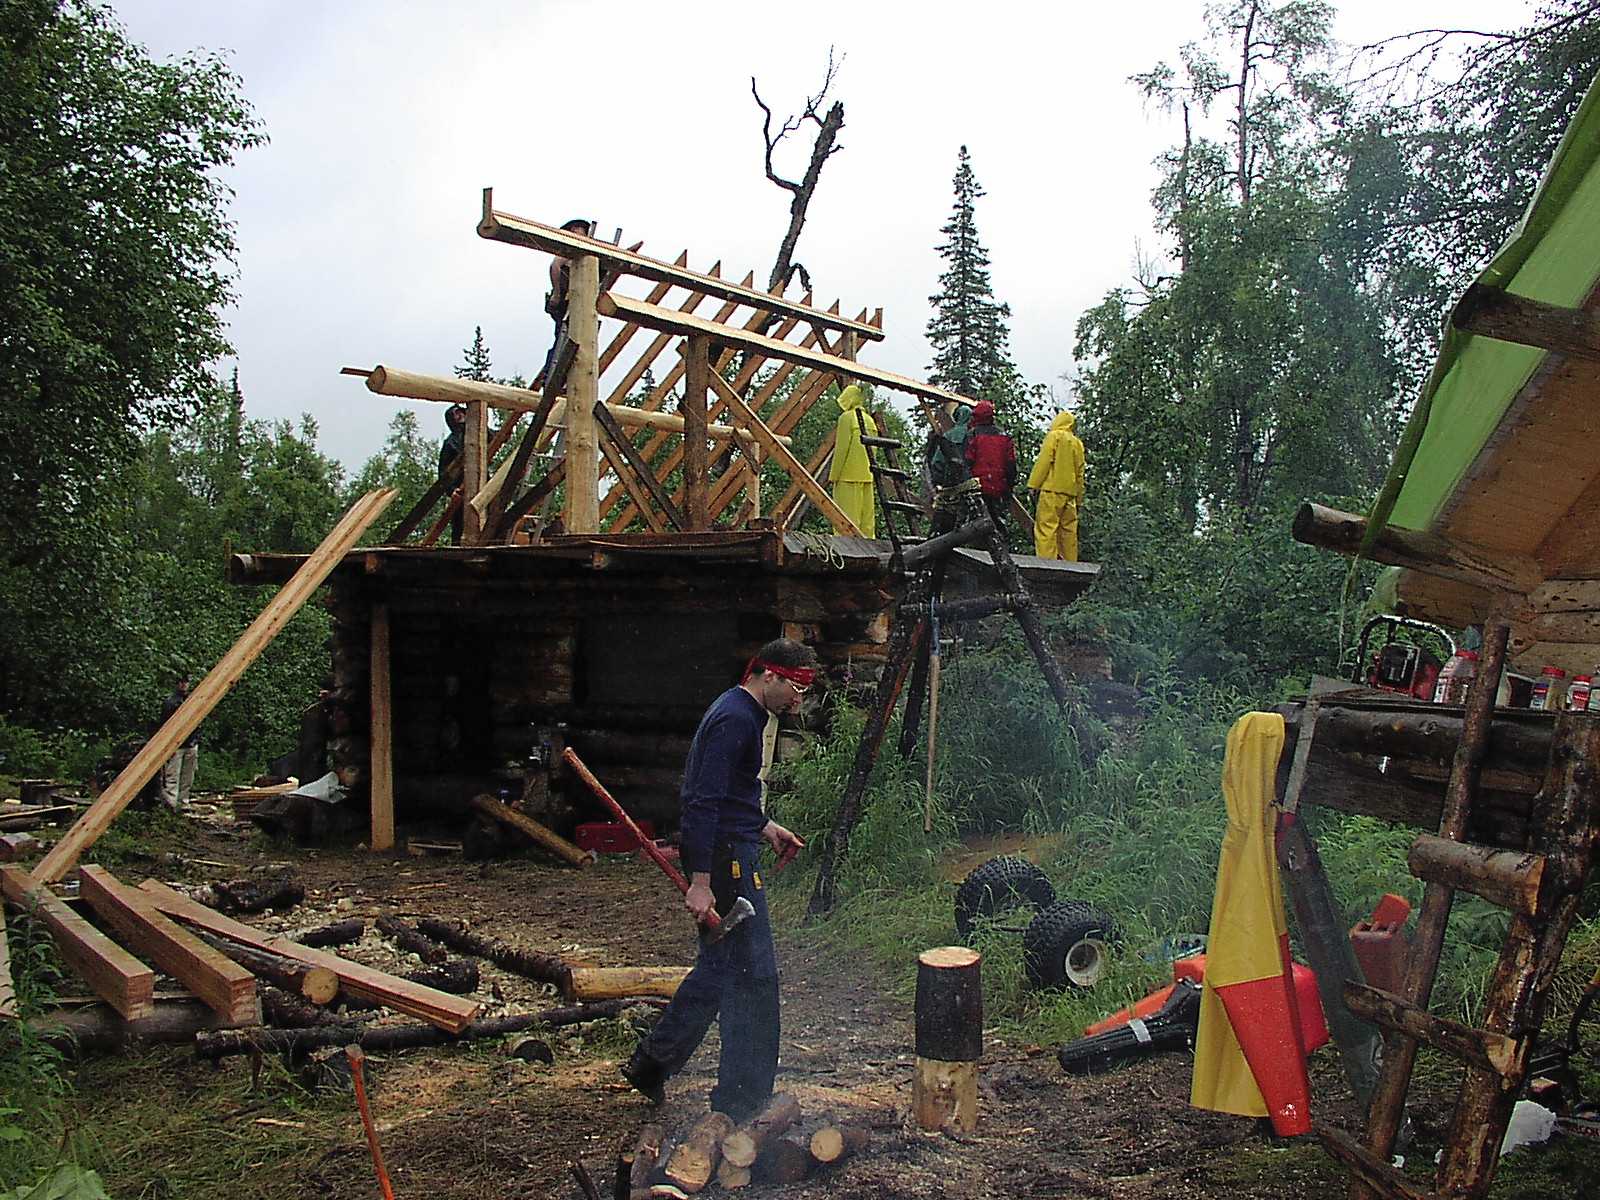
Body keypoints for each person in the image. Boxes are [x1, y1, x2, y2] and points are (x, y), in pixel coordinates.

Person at [621, 638, 814, 1120]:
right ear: (767, 675)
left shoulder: (746, 715)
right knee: (754, 976)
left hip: (735, 849)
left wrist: (764, 826)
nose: (798, 698)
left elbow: (731, 798)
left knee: (722, 970)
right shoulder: (734, 719)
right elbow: (702, 801)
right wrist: (702, 881)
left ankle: (653, 1064)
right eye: (794, 685)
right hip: (726, 866)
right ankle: (741, 1098)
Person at [539, 217, 596, 386]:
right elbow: (554, 267)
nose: (579, 234)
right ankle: (550, 375)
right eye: (576, 231)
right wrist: (557, 293)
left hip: (581, 303)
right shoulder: (567, 251)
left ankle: (565, 378)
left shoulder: (588, 255)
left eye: (581, 231)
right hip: (565, 301)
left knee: (577, 342)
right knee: (562, 338)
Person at [1026, 409, 1085, 561]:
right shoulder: (1077, 443)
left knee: (1046, 529)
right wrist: (1079, 499)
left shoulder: (1054, 437)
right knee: (1069, 532)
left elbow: (1044, 462)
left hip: (1051, 490)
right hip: (1070, 494)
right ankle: (1070, 565)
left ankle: (1047, 564)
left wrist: (1033, 484)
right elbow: (1080, 473)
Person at [828, 382, 877, 537]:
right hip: (867, 476)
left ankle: (848, 552)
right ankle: (869, 549)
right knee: (866, 521)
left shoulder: (846, 418)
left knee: (846, 520)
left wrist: (834, 475)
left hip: (847, 476)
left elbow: (842, 449)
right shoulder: (870, 420)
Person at [963, 399, 1017, 526]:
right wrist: (1009, 487)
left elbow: (967, 461)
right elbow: (1011, 464)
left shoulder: (973, 435)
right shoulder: (1004, 436)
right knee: (998, 524)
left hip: (978, 488)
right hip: (999, 487)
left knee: (976, 526)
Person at [157, 674, 199, 811]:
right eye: (181, 682)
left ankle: (183, 802)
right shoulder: (171, 702)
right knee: (172, 776)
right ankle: (171, 804)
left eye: (186, 682)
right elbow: (165, 723)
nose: (184, 685)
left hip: (191, 742)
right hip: (176, 745)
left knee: (188, 776)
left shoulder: (193, 699)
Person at [925, 401, 973, 494]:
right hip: (972, 479)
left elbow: (938, 460)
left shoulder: (948, 436)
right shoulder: (975, 435)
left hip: (952, 480)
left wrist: (937, 481)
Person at [437, 404, 467, 544]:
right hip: (460, 489)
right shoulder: (450, 443)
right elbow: (443, 472)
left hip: (481, 483)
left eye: (461, 412)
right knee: (459, 524)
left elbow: (497, 437)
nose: (460, 416)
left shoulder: (479, 432)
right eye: (456, 414)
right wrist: (451, 491)